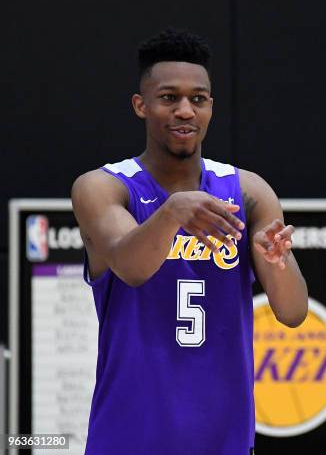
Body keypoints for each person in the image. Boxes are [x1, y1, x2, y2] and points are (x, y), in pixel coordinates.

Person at [71, 28, 308, 455]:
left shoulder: (250, 191)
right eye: (169, 98)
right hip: (129, 438)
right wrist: (173, 211)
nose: (185, 110)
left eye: (198, 99)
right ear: (141, 106)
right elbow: (132, 267)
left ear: (210, 107)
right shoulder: (104, 188)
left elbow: (292, 313)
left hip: (224, 440)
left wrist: (276, 262)